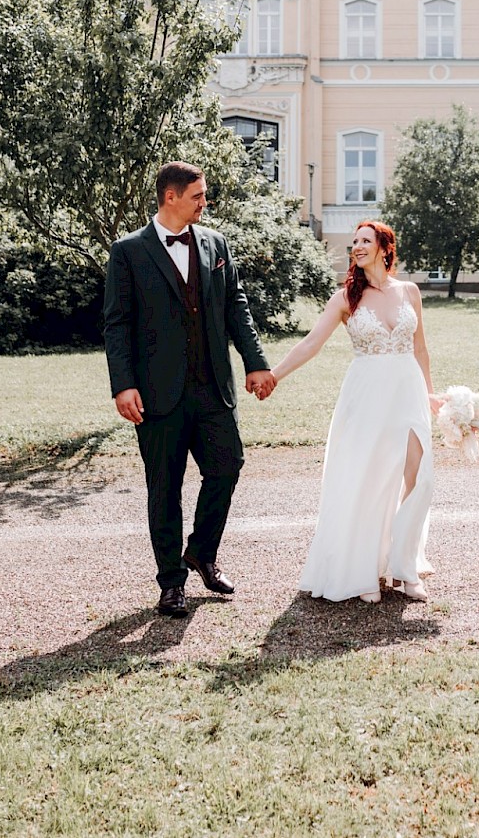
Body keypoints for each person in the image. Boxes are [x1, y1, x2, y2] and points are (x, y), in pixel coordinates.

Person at [103, 160, 276, 617]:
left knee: (228, 466)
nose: (206, 202)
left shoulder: (216, 244)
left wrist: (255, 364)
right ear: (171, 197)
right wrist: (123, 385)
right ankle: (171, 583)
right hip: (157, 394)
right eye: (198, 195)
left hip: (213, 388)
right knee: (165, 487)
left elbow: (236, 308)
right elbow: (116, 324)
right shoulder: (128, 252)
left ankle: (201, 551)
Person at [265, 220, 441, 604]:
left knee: (419, 476)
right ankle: (363, 571)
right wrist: (275, 375)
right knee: (369, 479)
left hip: (408, 392)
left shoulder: (409, 292)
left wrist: (429, 394)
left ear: (384, 247)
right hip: (366, 396)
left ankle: (406, 566)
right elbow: (311, 344)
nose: (357, 247)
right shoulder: (346, 298)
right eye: (354, 242)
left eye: (366, 240)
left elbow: (421, 349)